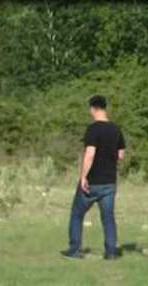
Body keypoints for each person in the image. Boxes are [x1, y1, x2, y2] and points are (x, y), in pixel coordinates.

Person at [61, 95, 126, 260]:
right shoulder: (116, 129)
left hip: (93, 181)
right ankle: (111, 252)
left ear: (93, 108)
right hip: (110, 182)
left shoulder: (93, 129)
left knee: (77, 213)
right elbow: (121, 154)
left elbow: (90, 154)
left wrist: (83, 176)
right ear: (105, 108)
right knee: (108, 217)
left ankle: (75, 249)